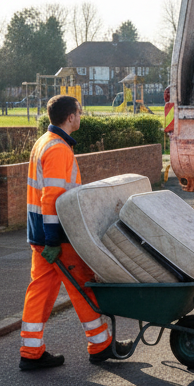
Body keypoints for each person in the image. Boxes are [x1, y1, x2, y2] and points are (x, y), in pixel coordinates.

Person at [18, 95, 126, 370]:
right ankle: (101, 345)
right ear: (70, 117)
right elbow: (52, 198)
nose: (81, 116)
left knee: (40, 291)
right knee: (81, 286)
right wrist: (54, 239)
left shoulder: (44, 142)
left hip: (39, 234)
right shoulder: (58, 149)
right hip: (57, 236)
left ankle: (30, 352)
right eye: (79, 112)